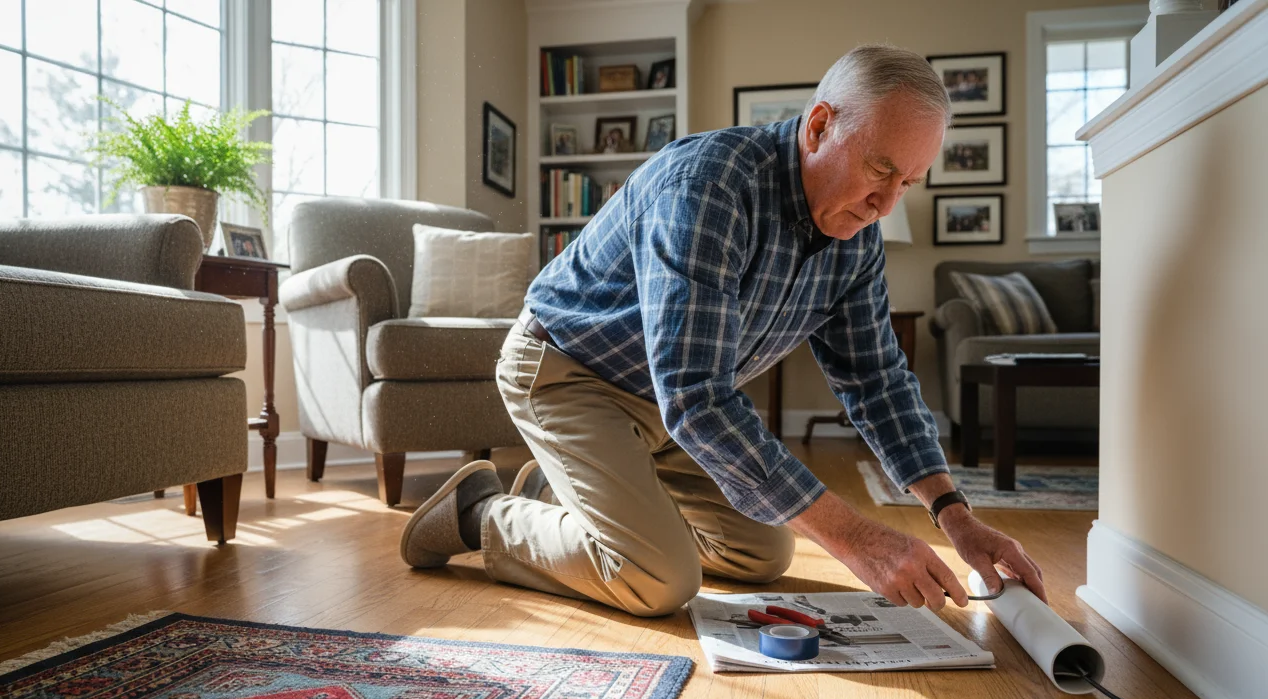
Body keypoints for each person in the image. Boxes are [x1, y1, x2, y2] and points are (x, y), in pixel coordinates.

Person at [400, 44, 1047, 617]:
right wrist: (858, 537)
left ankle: (570, 491)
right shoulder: (708, 188)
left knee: (761, 550)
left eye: (907, 182)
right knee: (659, 580)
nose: (886, 204)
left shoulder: (858, 237)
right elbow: (696, 395)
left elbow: (877, 380)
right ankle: (478, 513)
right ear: (820, 126)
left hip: (661, 403)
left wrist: (953, 516)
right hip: (567, 370)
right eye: (881, 170)